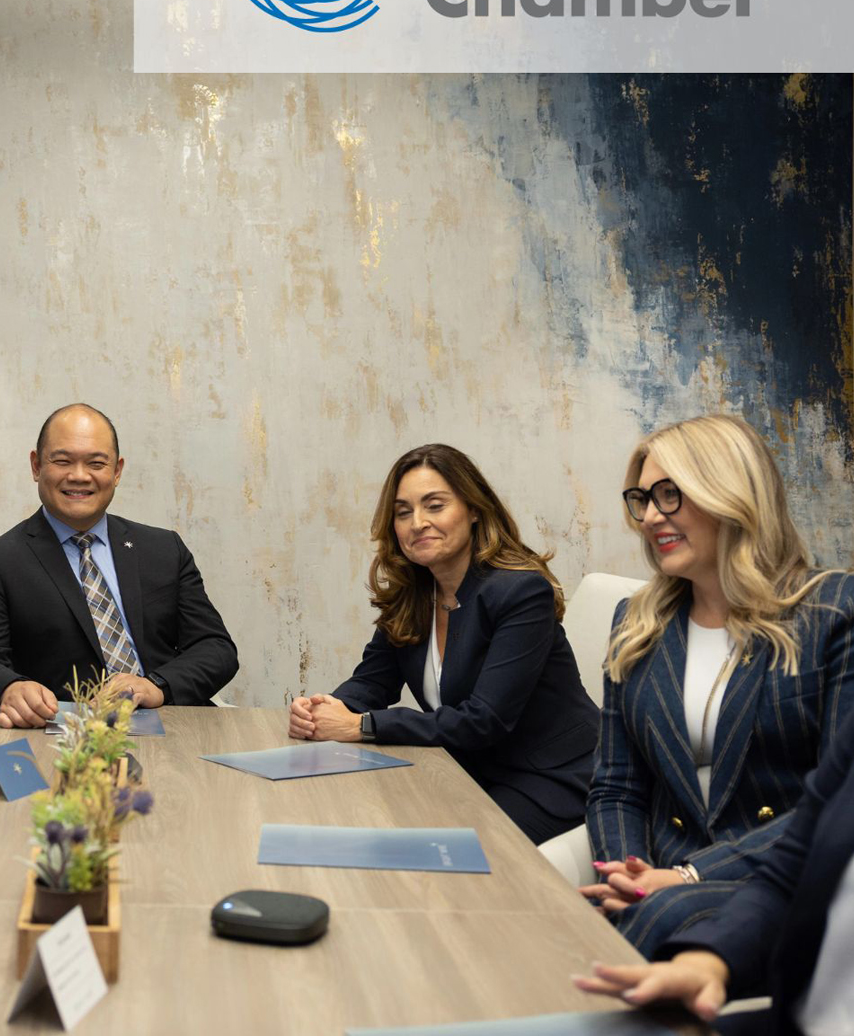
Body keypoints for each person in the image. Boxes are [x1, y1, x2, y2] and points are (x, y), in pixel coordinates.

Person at [579, 414, 854, 958]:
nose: (650, 515)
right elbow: (615, 787)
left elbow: (839, 803)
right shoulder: (634, 624)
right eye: (643, 498)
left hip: (780, 879)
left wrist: (689, 875)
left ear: (730, 493)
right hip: (657, 880)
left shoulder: (832, 610)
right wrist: (626, 875)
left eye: (670, 494)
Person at [288, 443, 598, 845]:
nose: (417, 523)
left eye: (434, 506)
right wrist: (324, 710)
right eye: (403, 512)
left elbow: (484, 720)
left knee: (432, 850)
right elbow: (372, 682)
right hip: (470, 768)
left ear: (473, 509)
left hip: (553, 777)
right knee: (359, 817)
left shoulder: (521, 592)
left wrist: (360, 726)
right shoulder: (415, 594)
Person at [0, 403, 238, 727]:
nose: (79, 476)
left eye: (96, 463)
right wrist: (9, 688)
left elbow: (216, 649)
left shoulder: (163, 549)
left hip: (172, 725)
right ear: (36, 466)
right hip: (67, 738)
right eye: (62, 461)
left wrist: (157, 685)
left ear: (116, 471)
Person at [574, 713, 854, 1036]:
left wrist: (690, 874)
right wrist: (708, 960)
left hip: (730, 866)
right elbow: (784, 880)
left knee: (664, 912)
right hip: (792, 1021)